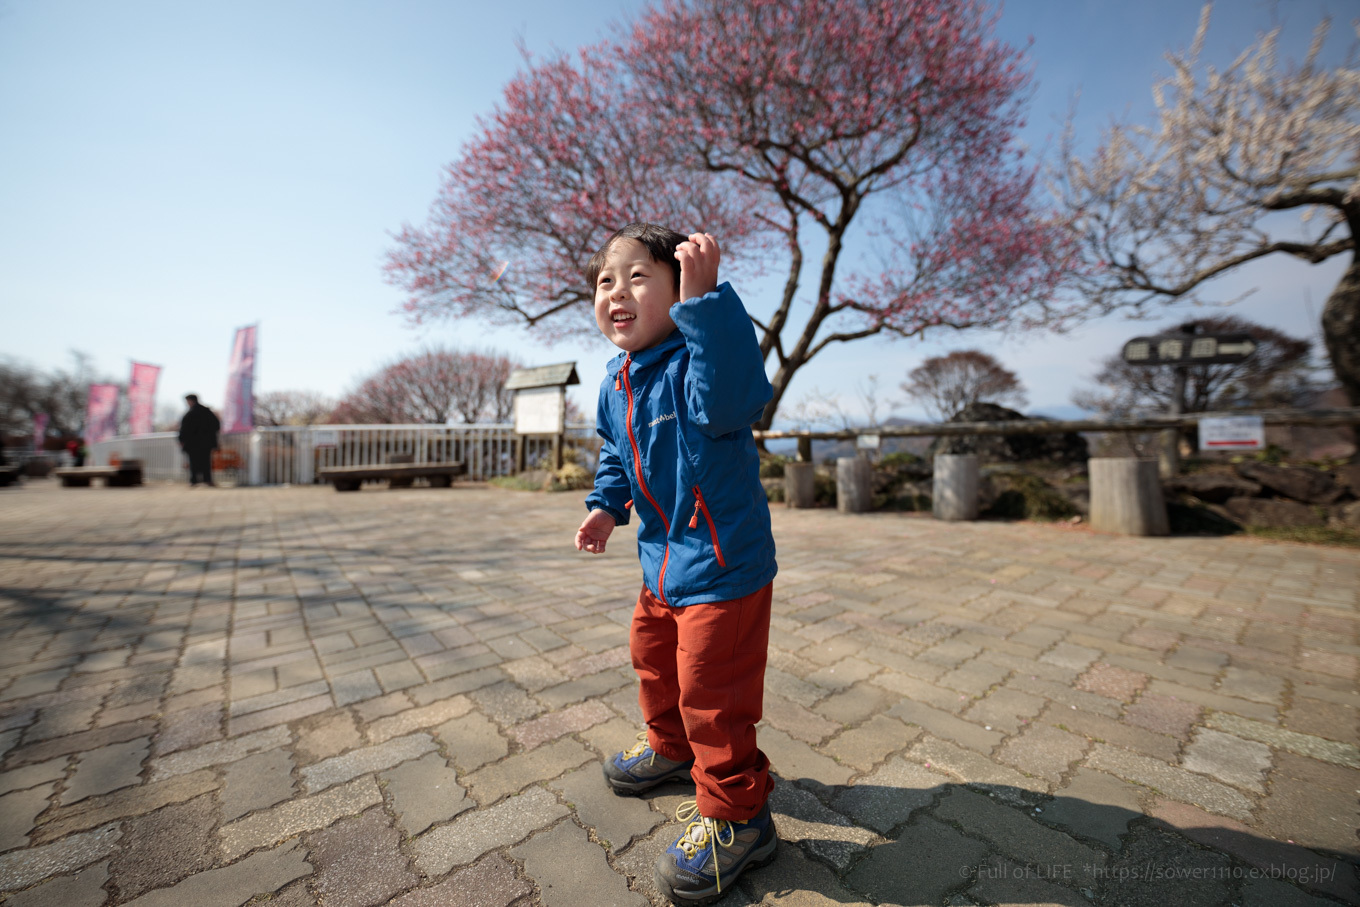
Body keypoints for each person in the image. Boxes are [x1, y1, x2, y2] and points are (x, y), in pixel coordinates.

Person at [575, 223, 778, 903]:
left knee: (711, 691)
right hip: (662, 565)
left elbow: (734, 396)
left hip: (723, 567)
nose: (617, 291)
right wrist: (606, 504)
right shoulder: (615, 382)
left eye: (638, 276)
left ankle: (739, 815)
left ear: (677, 290)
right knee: (653, 658)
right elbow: (615, 454)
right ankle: (669, 745)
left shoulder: (697, 359)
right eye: (606, 280)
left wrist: (707, 302)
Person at [178, 394, 221, 487]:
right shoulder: (207, 411)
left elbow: (184, 429)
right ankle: (207, 480)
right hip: (206, 443)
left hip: (192, 443)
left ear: (191, 401)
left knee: (193, 462)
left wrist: (181, 440)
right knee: (206, 461)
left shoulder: (189, 413)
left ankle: (194, 481)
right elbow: (217, 425)